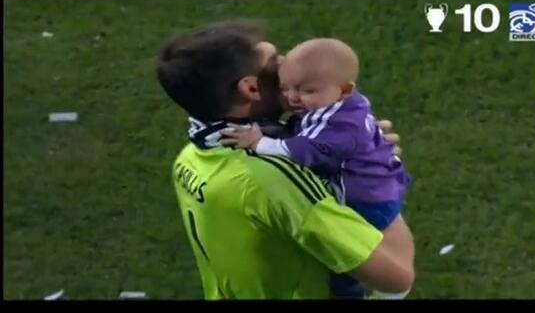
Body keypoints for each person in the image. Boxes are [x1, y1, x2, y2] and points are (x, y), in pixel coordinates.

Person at [155, 20, 414, 299]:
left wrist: (354, 147)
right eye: (274, 62)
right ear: (251, 89)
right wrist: (374, 179)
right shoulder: (281, 180)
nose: (286, 62)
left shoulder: (191, 156)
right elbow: (396, 276)